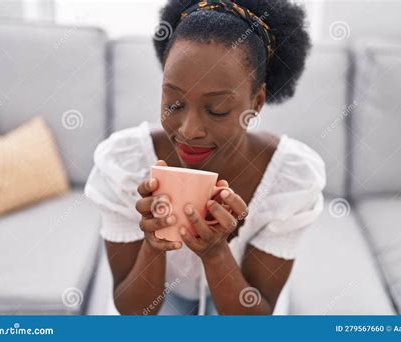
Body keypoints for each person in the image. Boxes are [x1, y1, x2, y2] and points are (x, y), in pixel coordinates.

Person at [85, 0, 326, 315]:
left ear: (256, 102)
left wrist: (216, 254)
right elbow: (134, 313)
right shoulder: (124, 165)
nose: (189, 130)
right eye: (173, 102)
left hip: (236, 291)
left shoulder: (290, 179)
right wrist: (153, 245)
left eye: (217, 110)